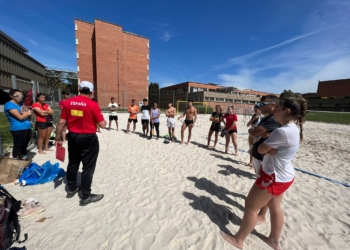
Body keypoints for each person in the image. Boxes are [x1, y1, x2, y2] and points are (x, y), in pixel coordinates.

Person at [220, 96, 307, 250]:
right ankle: (274, 240)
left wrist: (264, 146)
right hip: (285, 175)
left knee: (250, 206)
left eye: (278, 108)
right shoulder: (294, 129)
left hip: (273, 176)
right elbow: (266, 147)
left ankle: (238, 240)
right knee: (275, 207)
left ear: (286, 111)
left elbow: (259, 149)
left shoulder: (282, 131)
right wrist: (267, 147)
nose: (275, 110)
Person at [55, 81, 106, 206]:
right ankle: (86, 196)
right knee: (88, 167)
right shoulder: (92, 104)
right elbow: (102, 125)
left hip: (73, 136)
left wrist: (57, 138)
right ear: (91, 92)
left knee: (73, 163)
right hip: (88, 137)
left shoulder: (68, 102)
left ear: (79, 89)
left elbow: (61, 123)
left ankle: (72, 188)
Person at [249, 95, 280, 176]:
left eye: (263, 104)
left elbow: (253, 133)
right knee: (258, 176)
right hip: (259, 153)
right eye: (260, 104)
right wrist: (259, 132)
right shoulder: (266, 118)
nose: (260, 106)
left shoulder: (273, 119)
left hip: (264, 156)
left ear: (273, 104)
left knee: (261, 180)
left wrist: (252, 131)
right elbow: (254, 132)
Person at [4, 89, 32, 159]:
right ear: (11, 96)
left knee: (24, 146)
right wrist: (27, 114)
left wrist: (28, 114)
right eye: (17, 96)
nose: (20, 97)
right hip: (18, 129)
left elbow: (29, 114)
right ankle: (16, 161)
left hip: (27, 128)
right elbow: (20, 117)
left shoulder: (21, 105)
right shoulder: (9, 105)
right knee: (18, 146)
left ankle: (24, 159)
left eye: (21, 96)